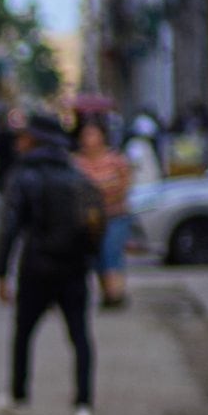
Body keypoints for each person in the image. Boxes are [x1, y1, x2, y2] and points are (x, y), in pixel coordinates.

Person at [0, 114, 97, 415]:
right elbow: (94, 226)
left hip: (36, 268)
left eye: (24, 136)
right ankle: (83, 406)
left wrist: (0, 272)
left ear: (36, 140)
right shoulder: (77, 176)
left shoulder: (23, 177)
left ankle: (19, 399)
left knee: (24, 334)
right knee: (79, 337)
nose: (19, 141)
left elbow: (10, 226)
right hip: (74, 269)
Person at [73, 119, 135, 311]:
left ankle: (114, 294)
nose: (90, 139)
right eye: (86, 135)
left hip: (115, 214)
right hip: (89, 218)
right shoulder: (76, 162)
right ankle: (107, 292)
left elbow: (126, 184)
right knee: (97, 257)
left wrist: (106, 198)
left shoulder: (116, 160)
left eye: (93, 134)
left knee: (111, 253)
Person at [125, 113, 163, 187]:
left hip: (151, 184)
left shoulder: (146, 145)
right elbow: (132, 163)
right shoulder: (135, 145)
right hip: (142, 185)